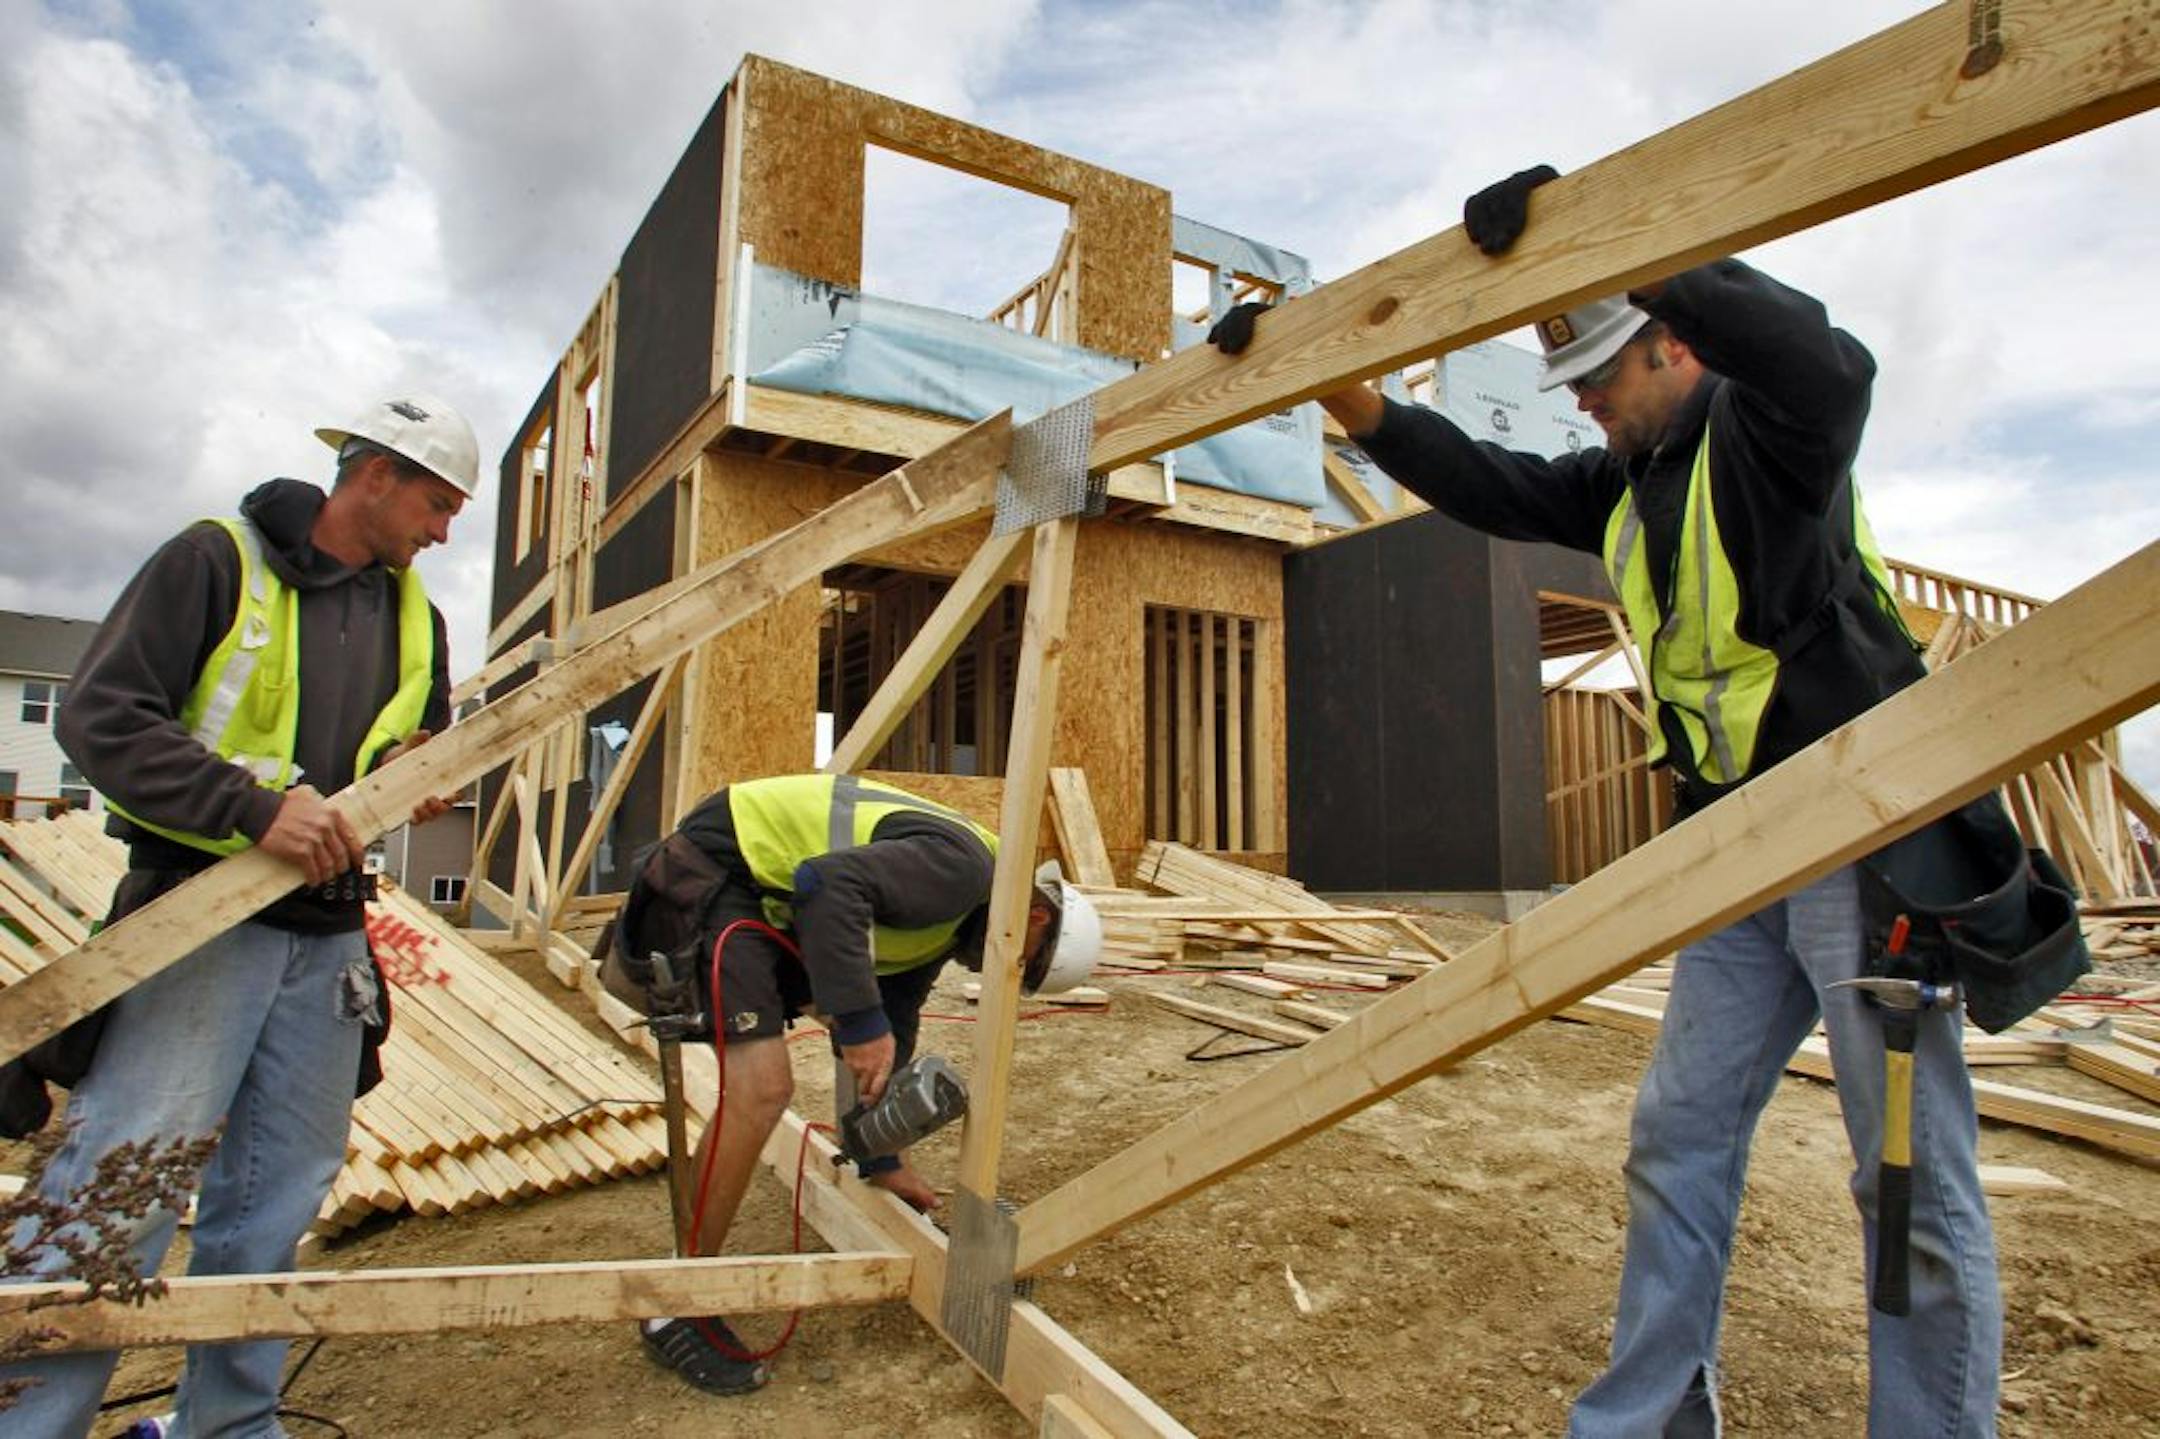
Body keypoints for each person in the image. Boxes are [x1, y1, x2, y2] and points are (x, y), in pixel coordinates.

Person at [1213, 171, 1999, 1435]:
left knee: (1904, 1177)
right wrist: (1333, 384)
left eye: (1593, 375)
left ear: (1673, 342)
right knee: (1676, 1135)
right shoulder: (1625, 485)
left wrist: (1622, 244)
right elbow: (1478, 479)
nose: (1578, 400)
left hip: (1864, 849)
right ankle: (1648, 1419)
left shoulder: (1771, 436)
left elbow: (1832, 367)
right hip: (1732, 854)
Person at [2, 394, 476, 1438]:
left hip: (330, 937)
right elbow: (99, 715)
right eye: (437, 504)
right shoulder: (217, 560)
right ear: (375, 475)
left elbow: (410, 740)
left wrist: (413, 777)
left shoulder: (416, 617)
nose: (444, 532)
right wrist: (253, 810)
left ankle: (228, 1423)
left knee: (274, 1199)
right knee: (119, 1186)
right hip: (199, 915)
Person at [598, 772, 1102, 1397]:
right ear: (1035, 916)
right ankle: (674, 1301)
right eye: (1030, 960)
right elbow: (825, 884)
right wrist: (859, 1025)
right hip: (728, 869)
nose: (1008, 971)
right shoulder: (965, 873)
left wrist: (881, 1156)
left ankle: (689, 1281)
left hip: (764, 890)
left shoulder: (949, 924)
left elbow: (895, 1017)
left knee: (855, 1023)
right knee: (761, 1090)